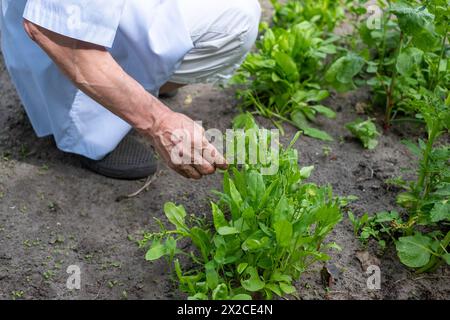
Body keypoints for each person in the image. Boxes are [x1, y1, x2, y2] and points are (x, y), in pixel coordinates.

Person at [0, 0, 261, 179]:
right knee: (235, 22)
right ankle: (89, 131)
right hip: (64, 40)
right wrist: (159, 121)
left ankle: (138, 85)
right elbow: (52, 33)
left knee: (237, 12)